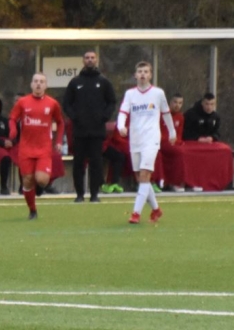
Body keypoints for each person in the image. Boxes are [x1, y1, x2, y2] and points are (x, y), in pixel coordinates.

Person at [116, 62, 177, 224]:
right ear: (135, 75)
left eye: (146, 71)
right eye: (140, 71)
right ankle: (156, 209)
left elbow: (166, 113)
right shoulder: (130, 94)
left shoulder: (158, 93)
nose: (142, 74)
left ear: (150, 75)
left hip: (151, 139)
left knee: (144, 175)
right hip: (135, 140)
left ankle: (136, 213)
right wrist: (121, 126)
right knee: (140, 177)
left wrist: (172, 132)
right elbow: (123, 112)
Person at [8, 73, 65, 220]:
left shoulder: (52, 103)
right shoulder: (23, 102)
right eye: (36, 81)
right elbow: (12, 118)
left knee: (42, 179)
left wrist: (59, 141)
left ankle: (40, 187)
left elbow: (60, 122)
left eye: (41, 82)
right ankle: (32, 211)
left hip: (44, 149)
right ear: (31, 84)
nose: (38, 84)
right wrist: (13, 130)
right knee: (27, 180)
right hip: (26, 148)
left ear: (46, 85)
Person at [63, 50, 117, 203]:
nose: (90, 60)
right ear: (83, 60)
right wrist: (74, 117)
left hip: (97, 131)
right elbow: (66, 104)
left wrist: (104, 117)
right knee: (78, 163)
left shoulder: (104, 82)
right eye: (87, 58)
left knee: (96, 164)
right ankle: (79, 194)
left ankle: (94, 194)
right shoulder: (75, 82)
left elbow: (112, 101)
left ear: (96, 60)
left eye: (92, 58)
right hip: (79, 131)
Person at [158, 93, 186, 192]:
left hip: (173, 143)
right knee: (179, 152)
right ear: (169, 102)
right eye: (175, 102)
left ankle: (190, 182)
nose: (177, 105)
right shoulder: (161, 115)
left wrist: (178, 142)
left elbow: (179, 135)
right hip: (161, 142)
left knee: (187, 151)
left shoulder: (180, 117)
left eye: (180, 103)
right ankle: (175, 182)